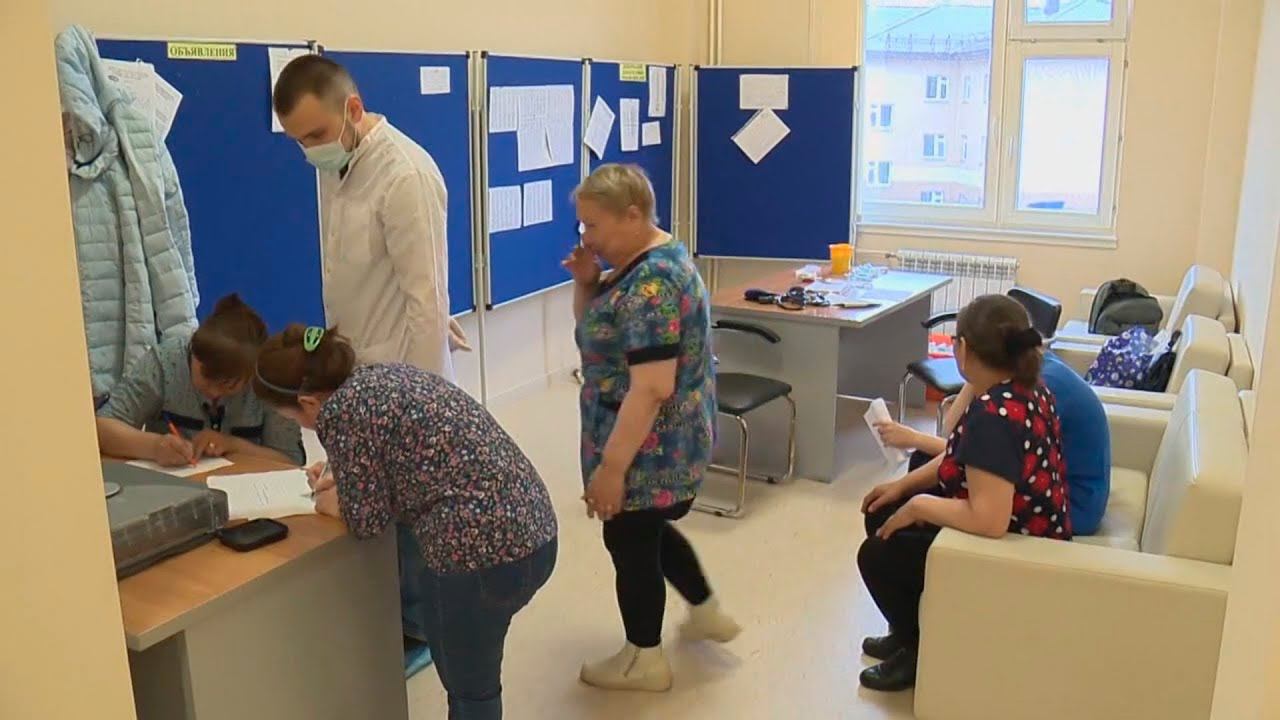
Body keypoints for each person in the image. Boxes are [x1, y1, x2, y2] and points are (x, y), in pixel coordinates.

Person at [253, 325, 557, 720]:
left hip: (476, 560)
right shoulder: (379, 377)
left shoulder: (339, 412)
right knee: (476, 672)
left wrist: (331, 502)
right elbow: (406, 456)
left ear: (308, 403)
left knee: (471, 692)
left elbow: (367, 521)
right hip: (534, 529)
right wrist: (345, 475)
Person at [273, 54, 468, 660]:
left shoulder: (405, 175)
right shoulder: (337, 165)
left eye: (316, 134)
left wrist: (421, 408)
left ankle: (421, 630)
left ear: (353, 109)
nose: (309, 150)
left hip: (405, 378)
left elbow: (426, 301)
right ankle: (396, 613)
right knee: (375, 503)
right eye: (299, 140)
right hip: (355, 369)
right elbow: (348, 276)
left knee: (411, 509)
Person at [564, 164, 740, 693]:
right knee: (649, 529)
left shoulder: (651, 286)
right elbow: (593, 333)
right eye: (583, 227)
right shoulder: (643, 262)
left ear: (632, 215)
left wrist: (612, 470)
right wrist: (587, 283)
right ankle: (705, 610)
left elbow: (651, 388)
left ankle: (644, 658)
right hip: (657, 437)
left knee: (628, 535)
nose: (587, 238)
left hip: (651, 445)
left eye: (594, 226)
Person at [858, 294, 1072, 692]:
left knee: (877, 554)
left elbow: (989, 520)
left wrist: (920, 505)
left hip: (1016, 543)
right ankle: (906, 629)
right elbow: (958, 455)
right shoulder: (1019, 389)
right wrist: (903, 487)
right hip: (1021, 519)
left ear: (964, 349)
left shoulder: (995, 415)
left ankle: (920, 649)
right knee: (882, 510)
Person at [875, 350, 1111, 535]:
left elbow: (980, 449)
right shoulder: (1031, 370)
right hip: (1062, 484)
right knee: (922, 464)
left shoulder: (1021, 395)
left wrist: (915, 439)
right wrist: (974, 379)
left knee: (914, 486)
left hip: (1073, 507)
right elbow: (956, 437)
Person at [96, 294, 303, 466]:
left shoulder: (269, 379)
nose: (214, 393)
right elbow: (102, 427)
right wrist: (155, 446)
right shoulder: (164, 363)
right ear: (193, 353)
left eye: (229, 386)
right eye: (206, 378)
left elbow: (290, 461)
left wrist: (233, 445)